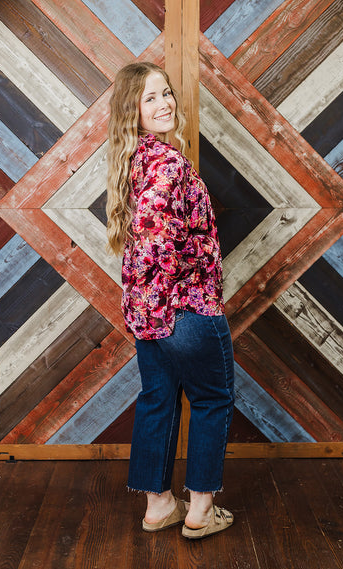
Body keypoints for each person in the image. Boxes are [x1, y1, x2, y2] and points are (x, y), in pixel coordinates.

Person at [106, 62, 235, 539]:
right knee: (212, 400)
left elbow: (141, 247)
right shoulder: (170, 165)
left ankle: (158, 505)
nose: (164, 105)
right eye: (149, 99)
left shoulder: (135, 159)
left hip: (146, 314)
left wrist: (146, 308)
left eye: (166, 94)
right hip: (186, 310)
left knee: (158, 399)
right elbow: (157, 245)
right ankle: (200, 511)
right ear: (132, 111)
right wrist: (175, 305)